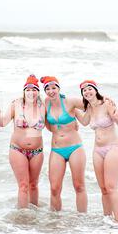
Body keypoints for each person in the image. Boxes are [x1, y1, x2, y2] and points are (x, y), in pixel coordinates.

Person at [75, 80, 118, 223]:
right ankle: (107, 220)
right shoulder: (90, 109)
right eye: (84, 91)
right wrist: (71, 108)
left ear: (95, 90)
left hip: (112, 148)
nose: (87, 92)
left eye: (90, 89)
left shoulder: (107, 103)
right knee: (103, 188)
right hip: (97, 150)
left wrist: (116, 118)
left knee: (111, 187)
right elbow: (84, 122)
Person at [0, 75, 45, 208]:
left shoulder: (43, 106)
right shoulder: (15, 104)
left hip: (37, 151)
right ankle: (23, 219)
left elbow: (53, 123)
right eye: (28, 90)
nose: (31, 92)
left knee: (33, 185)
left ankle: (35, 216)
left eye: (34, 89)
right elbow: (3, 122)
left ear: (38, 92)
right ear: (24, 91)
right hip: (18, 150)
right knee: (23, 186)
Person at [40, 76, 87, 212]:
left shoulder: (69, 102)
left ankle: (82, 219)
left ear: (59, 88)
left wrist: (105, 103)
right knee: (54, 188)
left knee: (79, 186)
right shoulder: (45, 104)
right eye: (47, 89)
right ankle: (55, 221)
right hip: (57, 150)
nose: (51, 91)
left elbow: (90, 104)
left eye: (54, 87)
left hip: (75, 148)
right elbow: (47, 125)